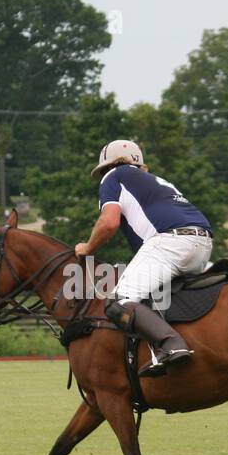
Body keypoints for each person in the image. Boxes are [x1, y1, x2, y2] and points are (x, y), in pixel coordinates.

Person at [73, 139, 213, 377]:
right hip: (203, 243)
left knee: (117, 302)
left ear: (107, 165)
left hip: (171, 243)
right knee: (159, 297)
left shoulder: (113, 175)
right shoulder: (158, 182)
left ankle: (171, 344)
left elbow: (109, 223)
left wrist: (87, 248)